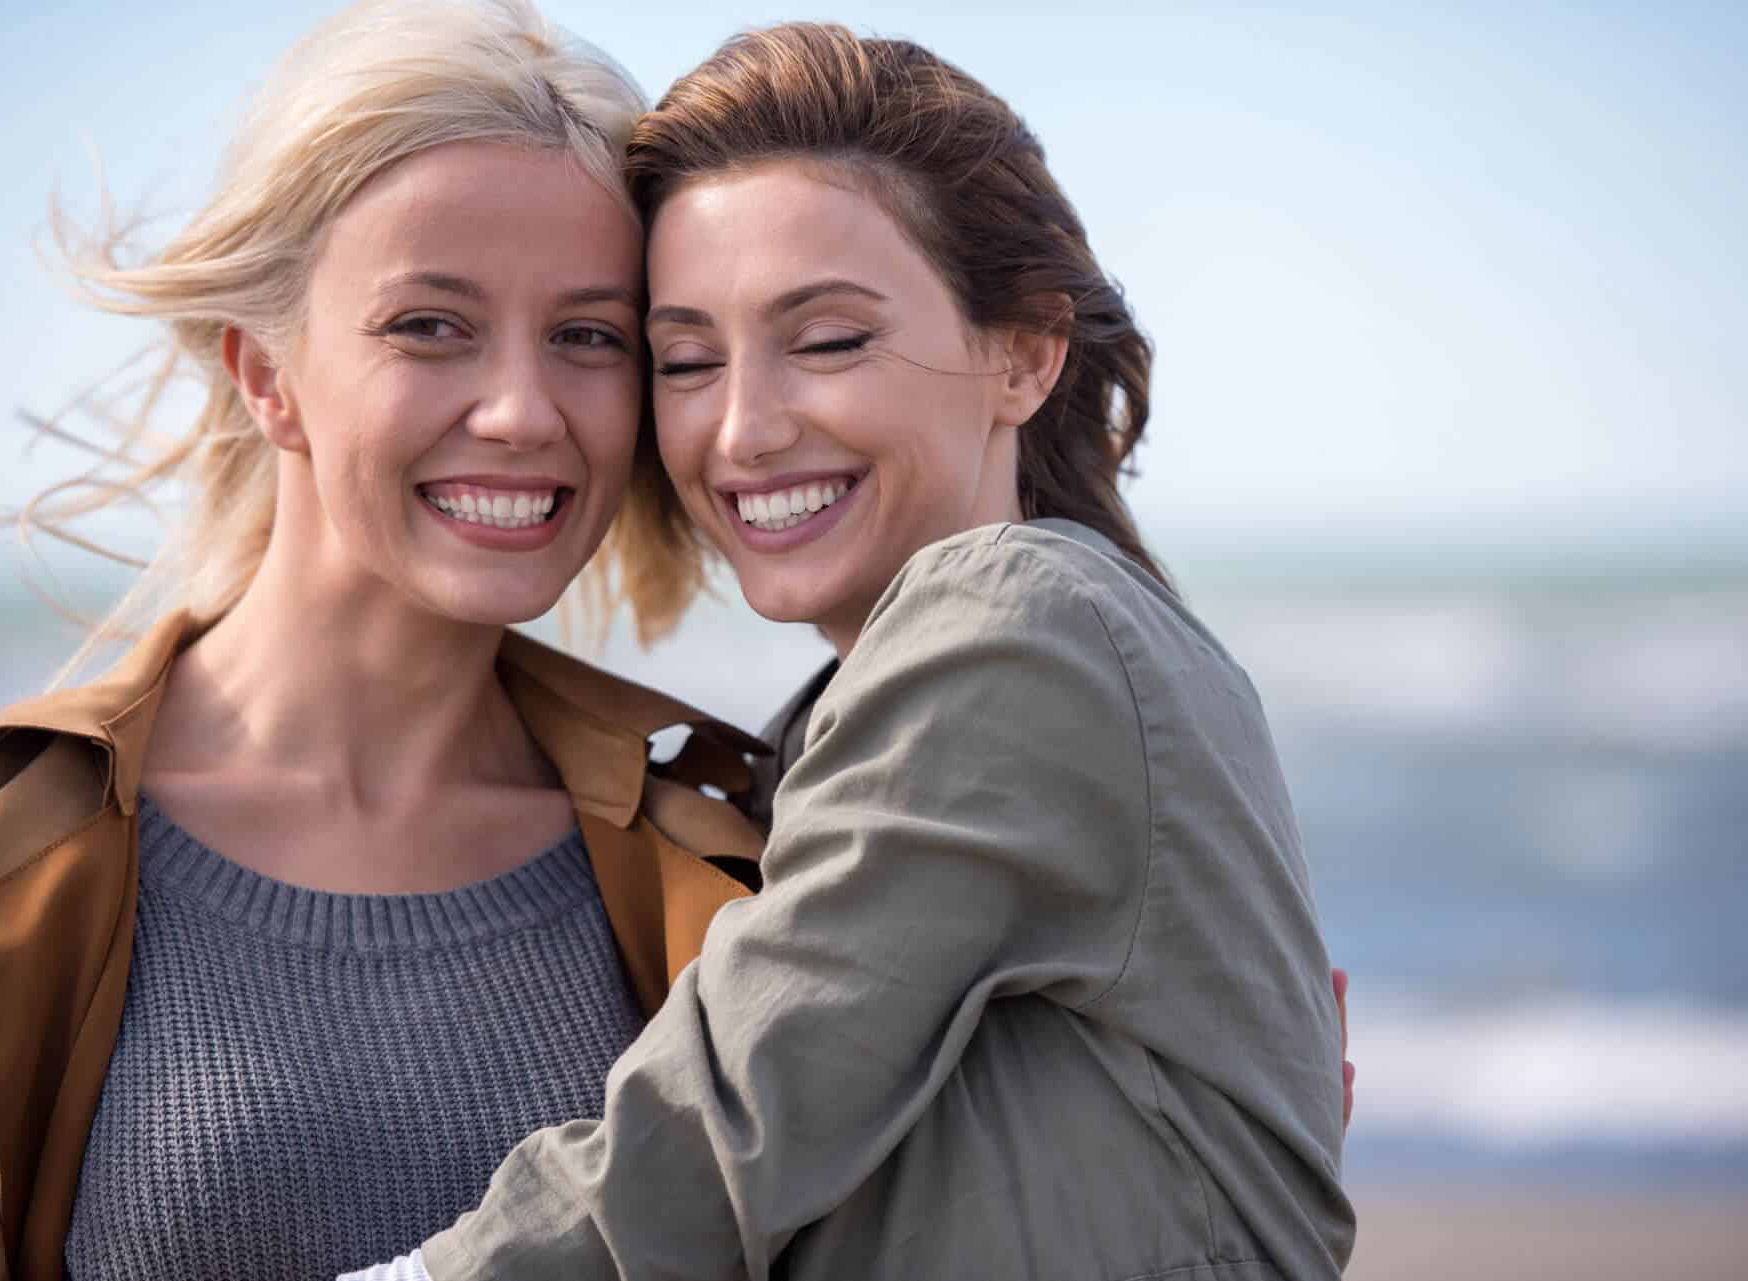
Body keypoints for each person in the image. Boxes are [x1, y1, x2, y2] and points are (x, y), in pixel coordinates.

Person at [358, 22, 1356, 1281]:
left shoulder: (1017, 625)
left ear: (1025, 352)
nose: (746, 428)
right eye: (686, 360)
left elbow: (722, 1129)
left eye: (827, 340)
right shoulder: (914, 692)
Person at [0, 3, 770, 1278]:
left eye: (589, 335)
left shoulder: (737, 862)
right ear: (266, 374)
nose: (523, 411)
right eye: (429, 325)